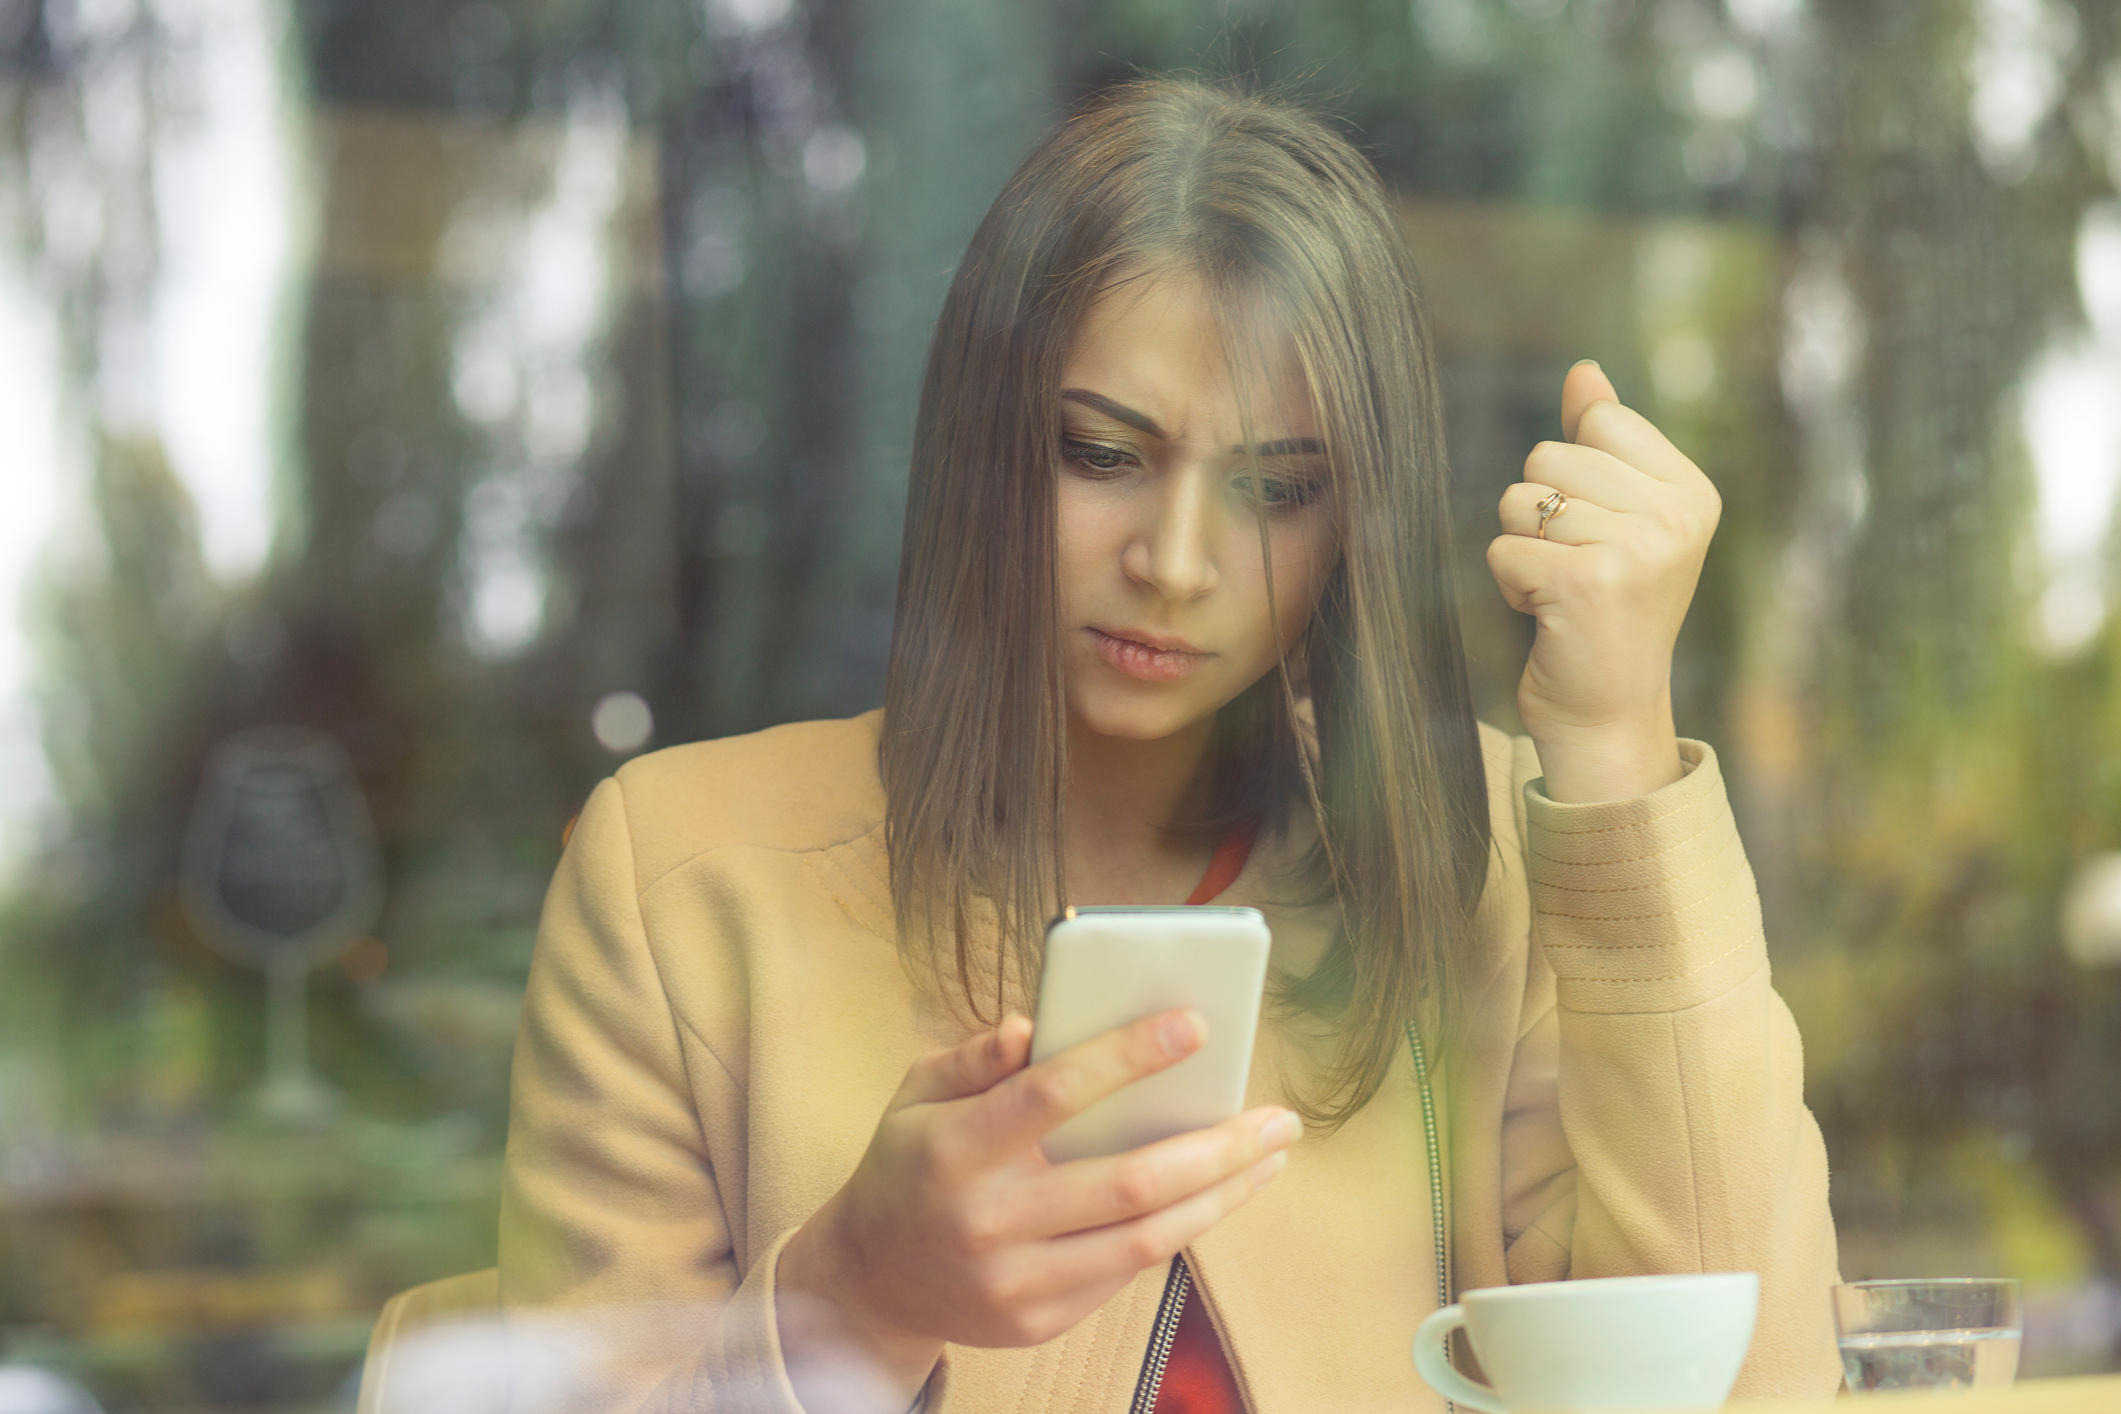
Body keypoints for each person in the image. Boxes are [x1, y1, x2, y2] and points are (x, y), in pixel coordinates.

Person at [497, 79, 1842, 1413]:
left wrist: (1613, 752)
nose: (1175, 561)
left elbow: (1746, 1381)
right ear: (984, 443)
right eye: (1100, 453)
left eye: (1274, 488)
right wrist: (858, 1297)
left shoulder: (1483, 861)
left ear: (1356, 515)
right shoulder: (680, 878)